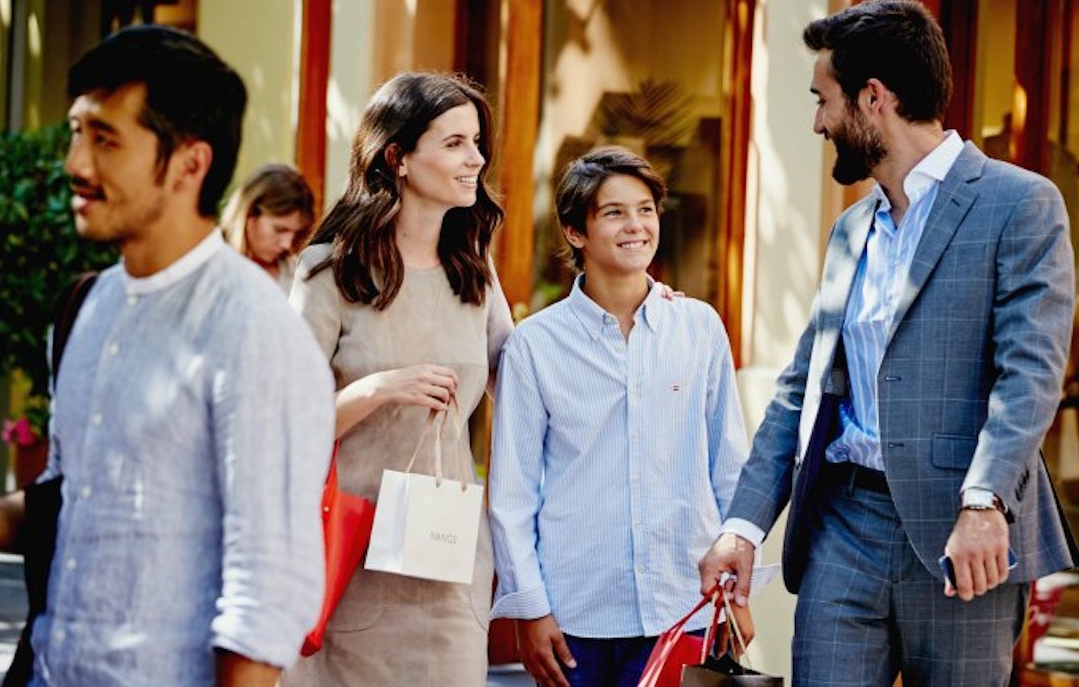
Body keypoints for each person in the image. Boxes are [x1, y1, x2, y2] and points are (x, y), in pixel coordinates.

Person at [697, 2, 1079, 685]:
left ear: (873, 99)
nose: (817, 121)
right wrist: (744, 526)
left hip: (964, 531)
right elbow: (802, 390)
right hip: (845, 523)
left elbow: (1029, 373)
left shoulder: (1019, 203)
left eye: (824, 100)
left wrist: (986, 500)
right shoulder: (851, 230)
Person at [0, 24, 336, 686]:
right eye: (75, 132)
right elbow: (63, 502)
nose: (75, 164)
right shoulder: (90, 307)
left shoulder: (255, 329)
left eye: (105, 139)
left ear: (188, 163)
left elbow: (264, 594)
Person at [283, 71, 514, 686]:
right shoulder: (327, 273)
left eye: (476, 141)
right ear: (398, 157)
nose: (476, 158)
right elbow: (282, 427)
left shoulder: (475, 272)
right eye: (455, 142)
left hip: (447, 563)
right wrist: (379, 388)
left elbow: (525, 383)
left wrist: (631, 301)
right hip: (347, 556)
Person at [487, 146, 749, 687]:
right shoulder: (535, 346)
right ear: (575, 232)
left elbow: (731, 471)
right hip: (575, 615)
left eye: (646, 209)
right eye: (614, 213)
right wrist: (530, 609)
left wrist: (737, 594)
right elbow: (512, 496)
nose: (636, 225)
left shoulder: (699, 328)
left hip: (684, 607)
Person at [221, 162, 316, 293]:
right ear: (249, 214)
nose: (287, 244)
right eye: (280, 230)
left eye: (296, 233)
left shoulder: (297, 273)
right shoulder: (212, 268)